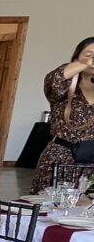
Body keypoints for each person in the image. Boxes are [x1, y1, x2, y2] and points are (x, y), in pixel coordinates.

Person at [32, 37, 94, 193]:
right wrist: (85, 62)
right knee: (49, 208)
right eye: (88, 54)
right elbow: (54, 80)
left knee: (84, 210)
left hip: (91, 162)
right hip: (60, 157)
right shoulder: (64, 87)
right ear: (75, 59)